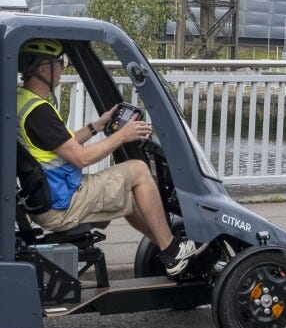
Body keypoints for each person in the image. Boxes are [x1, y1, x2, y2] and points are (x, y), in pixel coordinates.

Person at [16, 38, 200, 277]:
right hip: (63, 203)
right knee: (138, 171)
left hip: (48, 198)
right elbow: (81, 158)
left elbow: (63, 143)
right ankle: (171, 252)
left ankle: (169, 246)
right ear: (43, 69)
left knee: (131, 197)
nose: (63, 68)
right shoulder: (40, 111)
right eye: (60, 63)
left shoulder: (23, 101)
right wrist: (123, 135)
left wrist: (98, 125)